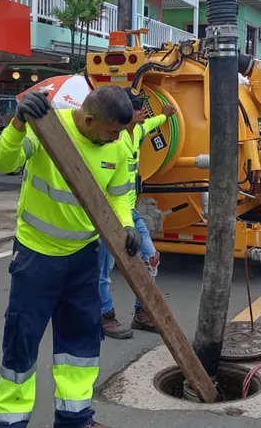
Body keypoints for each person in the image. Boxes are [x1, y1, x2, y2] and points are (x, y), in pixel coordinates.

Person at [0, 85, 139, 428]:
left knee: (80, 346)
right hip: (36, 258)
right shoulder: (48, 128)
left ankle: (75, 420)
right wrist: (17, 125)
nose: (118, 139)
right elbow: (2, 161)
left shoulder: (116, 148)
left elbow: (119, 195)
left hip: (83, 258)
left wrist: (126, 225)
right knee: (21, 343)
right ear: (89, 120)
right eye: (113, 132)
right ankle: (10, 423)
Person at [100, 97, 176, 339]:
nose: (142, 109)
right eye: (136, 107)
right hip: (109, 213)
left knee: (151, 257)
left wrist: (166, 115)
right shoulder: (114, 140)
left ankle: (141, 314)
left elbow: (152, 122)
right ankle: (104, 316)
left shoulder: (138, 130)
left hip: (129, 210)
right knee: (103, 270)